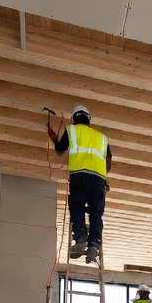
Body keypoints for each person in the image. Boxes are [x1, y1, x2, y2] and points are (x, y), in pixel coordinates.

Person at [48, 105, 112, 265]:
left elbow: (60, 149)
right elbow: (109, 159)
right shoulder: (102, 137)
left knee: (77, 206)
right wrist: (105, 177)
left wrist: (55, 139)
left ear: (73, 119)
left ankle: (81, 238)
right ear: (89, 120)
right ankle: (94, 244)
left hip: (79, 177)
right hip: (98, 179)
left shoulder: (72, 131)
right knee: (96, 212)